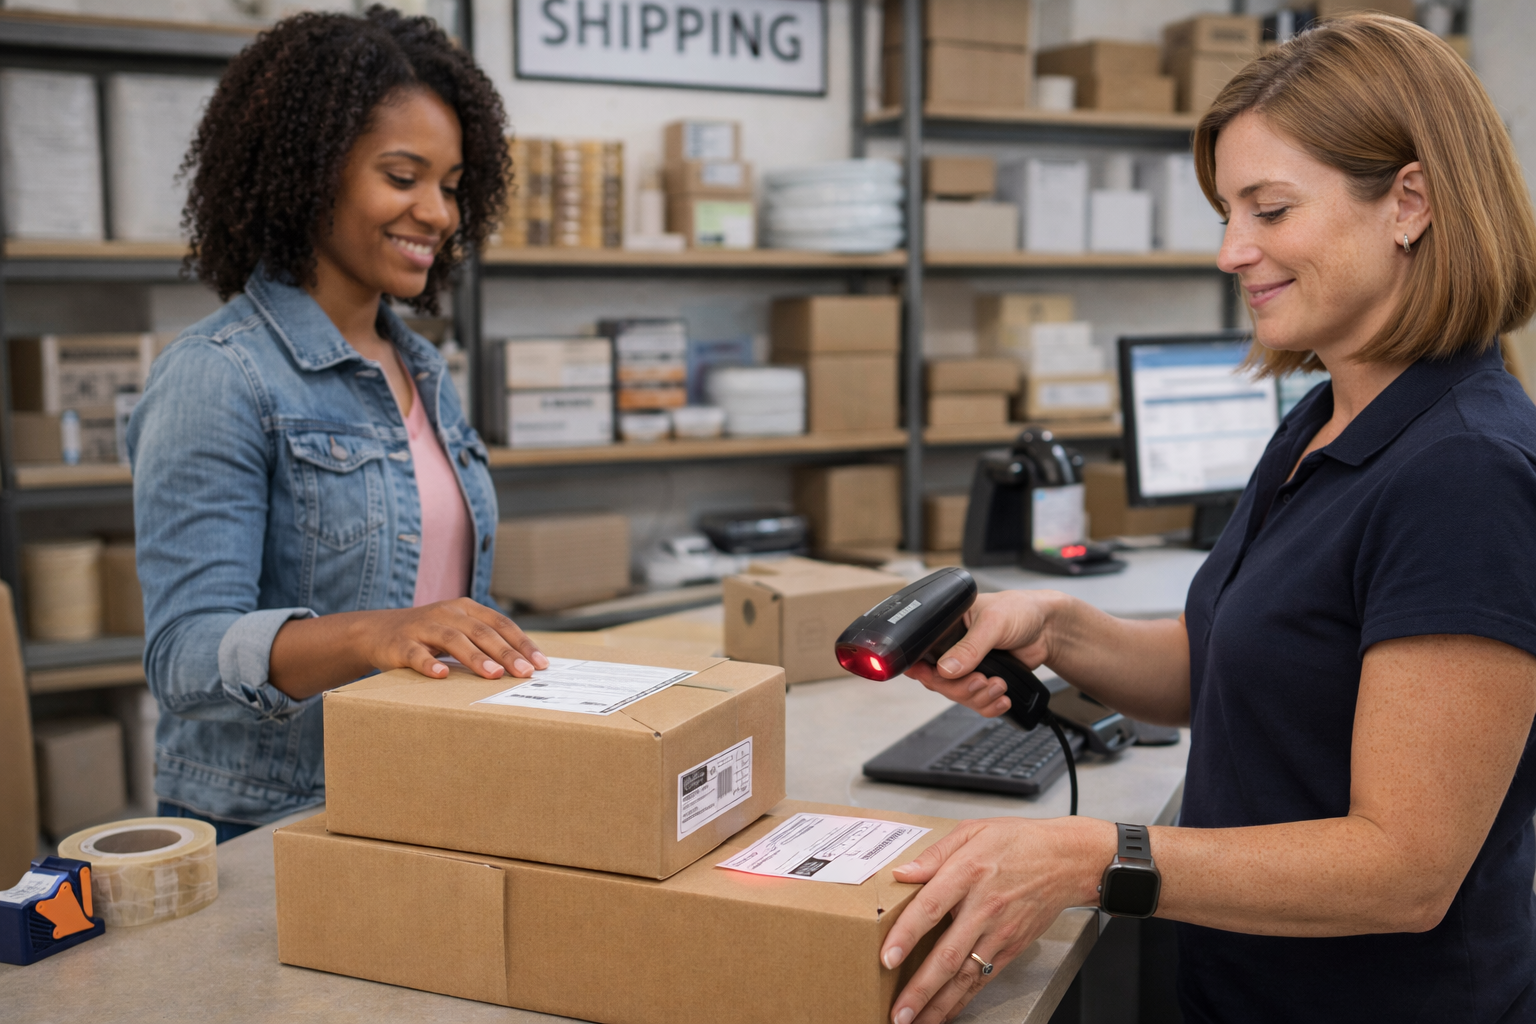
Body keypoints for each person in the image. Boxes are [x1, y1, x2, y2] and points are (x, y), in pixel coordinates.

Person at [878, 15, 1536, 1024]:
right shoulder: (1327, 417)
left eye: (1269, 209)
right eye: (1228, 212)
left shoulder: (1466, 474)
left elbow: (1404, 870)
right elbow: (1237, 664)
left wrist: (1090, 855)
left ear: (1412, 201)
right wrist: (1057, 630)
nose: (1233, 251)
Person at [128, 7, 546, 843]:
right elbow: (183, 656)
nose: (439, 213)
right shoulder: (218, 375)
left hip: (427, 788)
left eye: (454, 186)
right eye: (402, 177)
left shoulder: (422, 368)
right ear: (310, 172)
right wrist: (377, 635)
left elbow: (448, 608)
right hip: (276, 820)